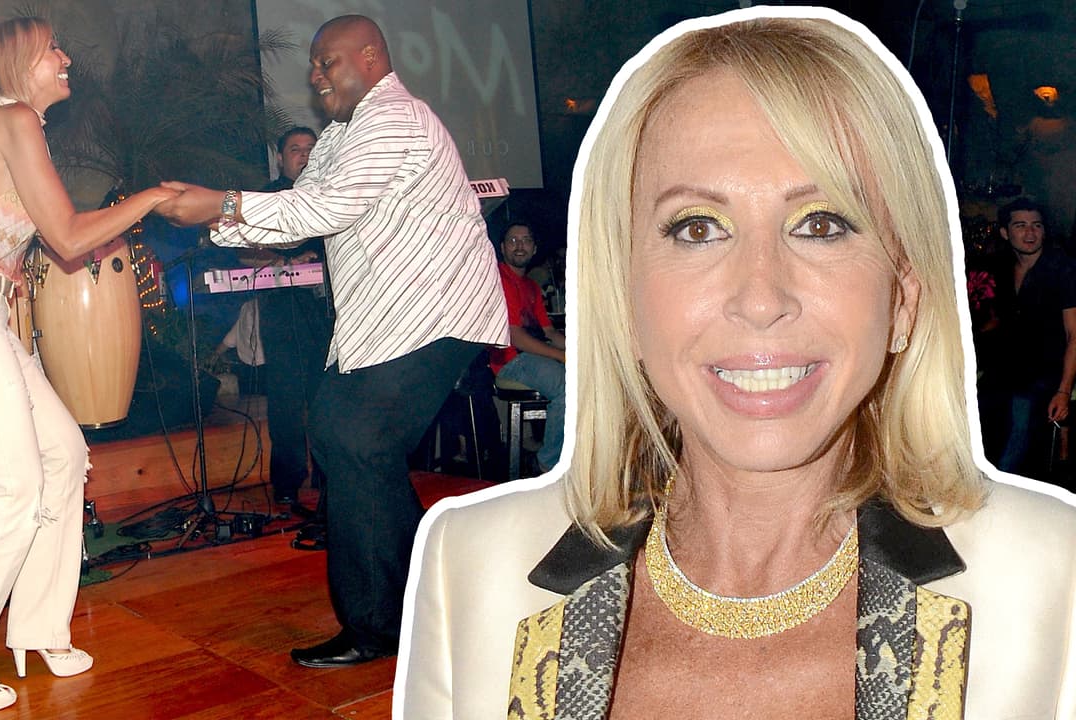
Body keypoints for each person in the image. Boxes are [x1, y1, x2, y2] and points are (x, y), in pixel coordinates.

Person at [398, 8, 1076, 718]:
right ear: (624, 299)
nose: (760, 299)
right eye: (698, 228)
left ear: (902, 300)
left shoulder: (1050, 580)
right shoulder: (471, 566)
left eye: (821, 224)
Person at [155, 14, 508, 668]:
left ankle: (379, 625)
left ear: (371, 57)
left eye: (328, 62)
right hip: (389, 321)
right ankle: (430, 600)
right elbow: (304, 211)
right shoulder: (342, 134)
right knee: (350, 439)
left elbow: (326, 207)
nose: (316, 76)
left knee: (352, 434)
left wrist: (222, 204)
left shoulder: (393, 118)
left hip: (433, 312)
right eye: (314, 66)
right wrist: (219, 222)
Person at [0, 16, 178, 714]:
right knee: (15, 487)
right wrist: (151, 197)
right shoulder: (15, 118)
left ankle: (37, 627)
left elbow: (34, 236)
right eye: (51, 48)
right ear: (18, 62)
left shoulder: (1, 123)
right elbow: (66, 236)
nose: (65, 58)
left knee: (64, 455)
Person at [244, 126, 331, 515]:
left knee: (328, 399)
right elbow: (243, 249)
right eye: (296, 149)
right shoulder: (268, 197)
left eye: (311, 148)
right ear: (280, 159)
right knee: (286, 399)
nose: (305, 155)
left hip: (328, 312)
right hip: (283, 310)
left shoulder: (332, 194)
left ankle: (331, 478)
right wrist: (284, 259)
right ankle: (287, 483)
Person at [979, 198, 1076, 478]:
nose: (1030, 232)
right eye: (1020, 225)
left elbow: (1074, 335)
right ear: (1005, 232)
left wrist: (1063, 391)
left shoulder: (1063, 269)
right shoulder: (1001, 267)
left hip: (1043, 376)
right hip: (1004, 369)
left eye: (1037, 225)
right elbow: (1000, 319)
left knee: (1016, 445)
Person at [489, 221, 565, 472]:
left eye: (526, 240)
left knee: (591, 377)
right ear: (502, 248)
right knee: (568, 384)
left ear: (534, 248)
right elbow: (515, 337)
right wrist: (563, 356)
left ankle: (576, 457)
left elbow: (549, 332)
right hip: (510, 360)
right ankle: (548, 464)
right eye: (513, 240)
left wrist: (583, 350)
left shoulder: (531, 286)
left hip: (531, 357)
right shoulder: (499, 278)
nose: (519, 246)